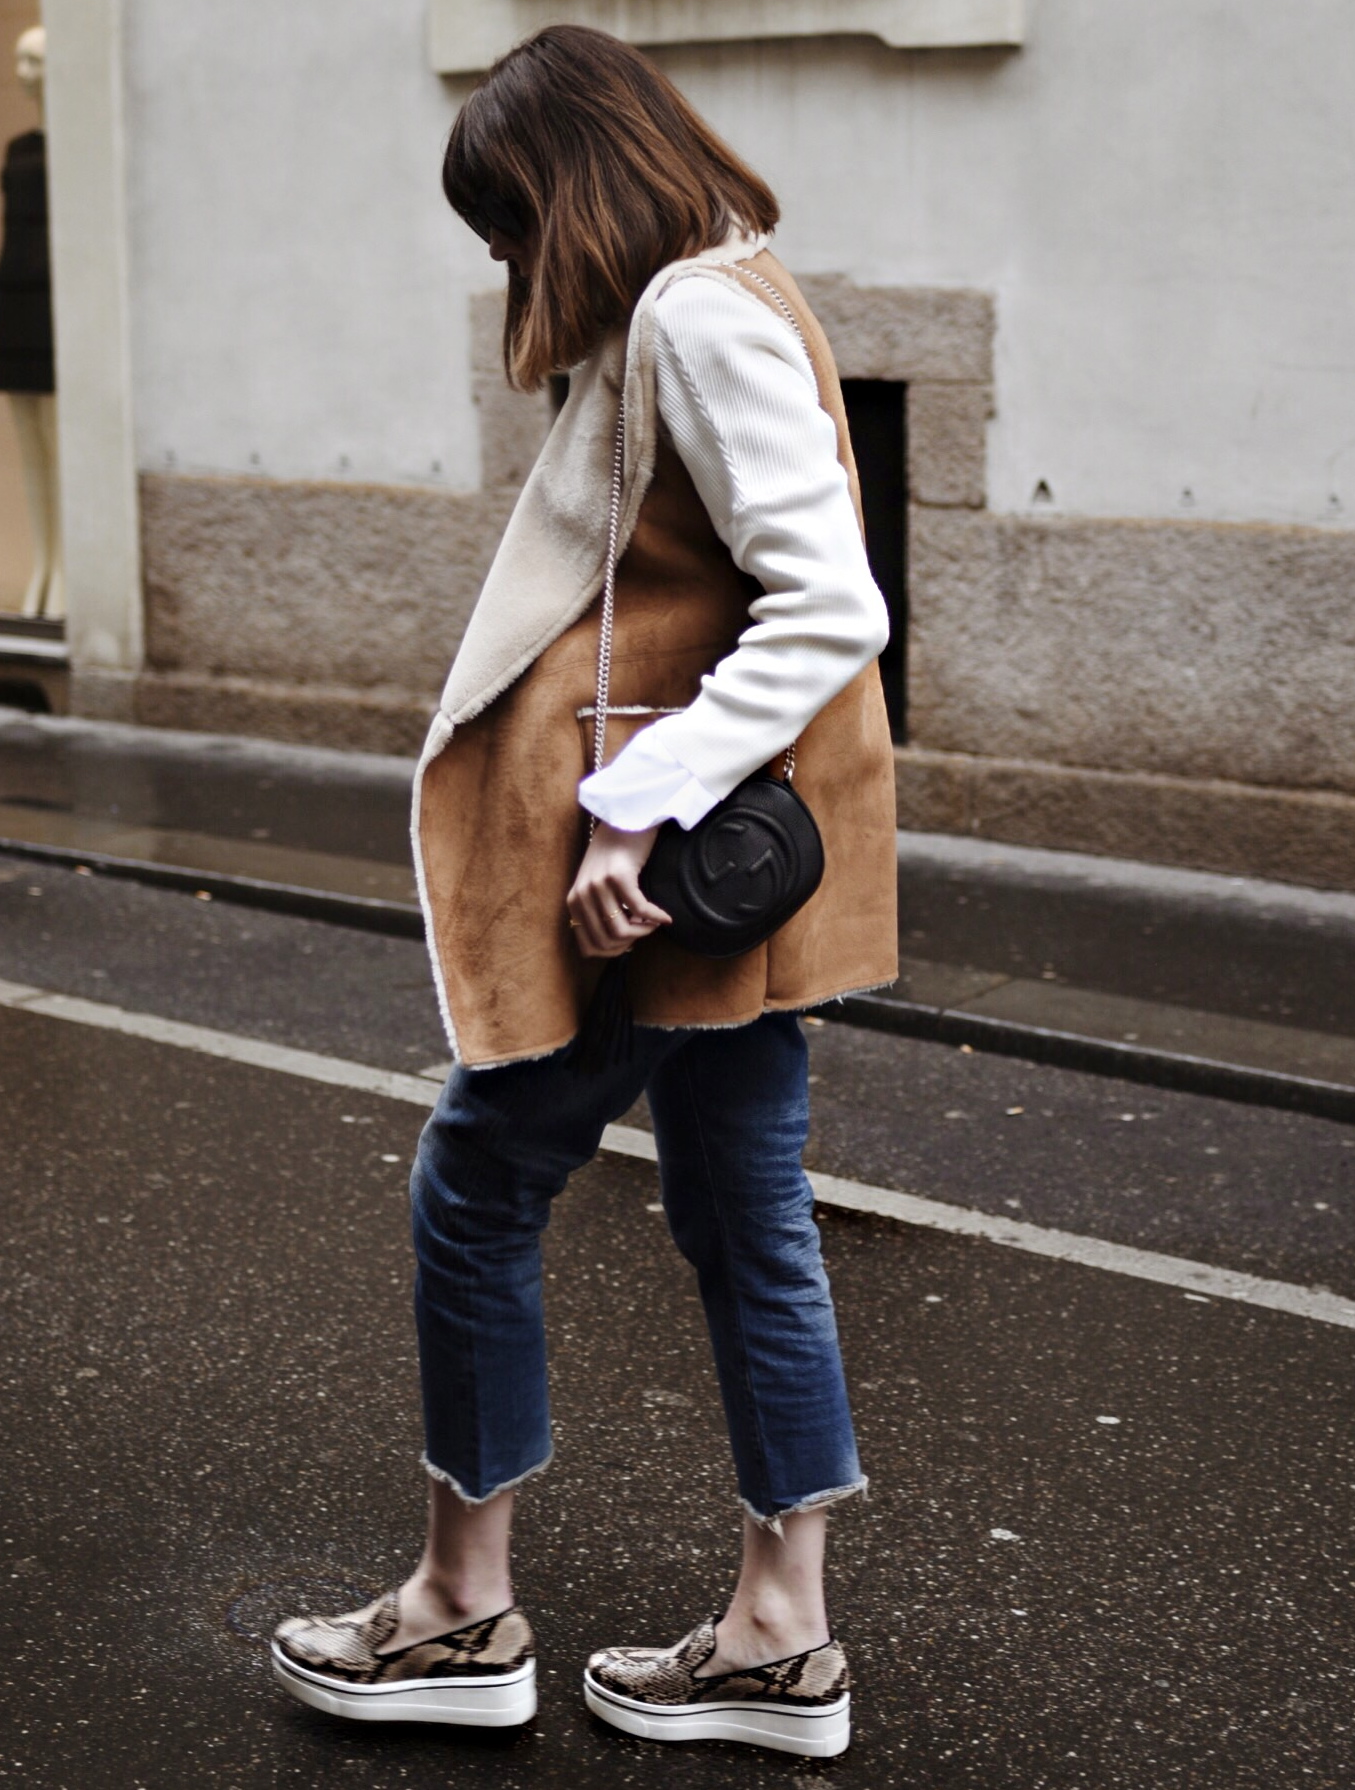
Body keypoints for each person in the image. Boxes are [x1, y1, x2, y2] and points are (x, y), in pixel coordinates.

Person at [272, 25, 898, 1759]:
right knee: (741, 1215)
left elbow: (830, 600)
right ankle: (781, 1634)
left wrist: (626, 804)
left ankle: (454, 1612)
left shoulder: (695, 314)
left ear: (568, 188)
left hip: (656, 878)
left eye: (505, 226)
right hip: (712, 878)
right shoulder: (721, 288)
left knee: (477, 1181)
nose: (503, 262)